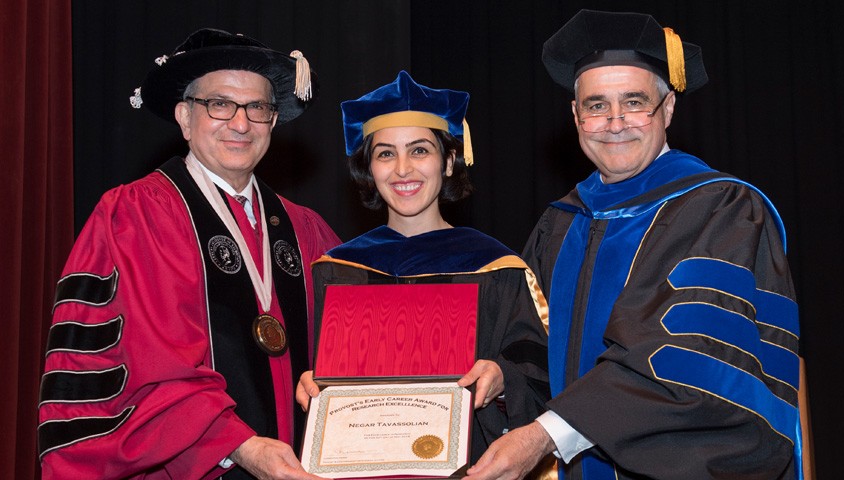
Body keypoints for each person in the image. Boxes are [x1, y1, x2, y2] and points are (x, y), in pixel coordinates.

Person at [463, 9, 802, 480]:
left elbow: (687, 354)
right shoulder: (561, 223)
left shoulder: (720, 208)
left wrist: (546, 435)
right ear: (576, 115)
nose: (615, 121)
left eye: (635, 102)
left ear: (667, 109)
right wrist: (505, 377)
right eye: (597, 105)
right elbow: (535, 344)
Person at [37, 29, 340, 479]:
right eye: (219, 104)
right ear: (184, 117)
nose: (241, 123)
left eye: (257, 107)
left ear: (273, 121)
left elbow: (355, 345)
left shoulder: (305, 229)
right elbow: (146, 362)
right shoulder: (136, 215)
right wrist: (239, 445)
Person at [295, 71, 551, 462]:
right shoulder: (336, 269)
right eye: (385, 153)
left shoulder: (497, 268)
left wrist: (503, 378)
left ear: (449, 161)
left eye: (419, 150)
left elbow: (538, 370)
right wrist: (310, 381)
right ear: (369, 168)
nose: (402, 169)